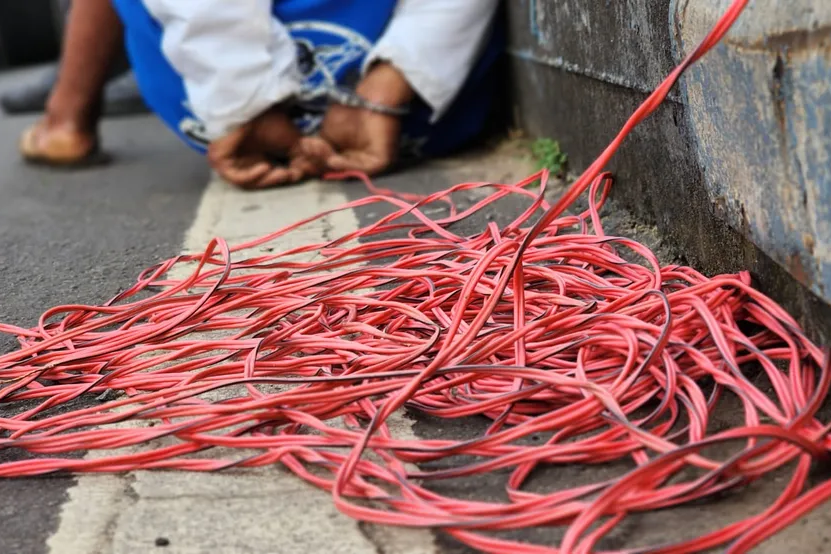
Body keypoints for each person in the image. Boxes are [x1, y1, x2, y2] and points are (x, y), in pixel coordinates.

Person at [20, 0, 502, 189]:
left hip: (223, 118)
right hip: (408, 114)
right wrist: (393, 79)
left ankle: (66, 121)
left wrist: (243, 98)